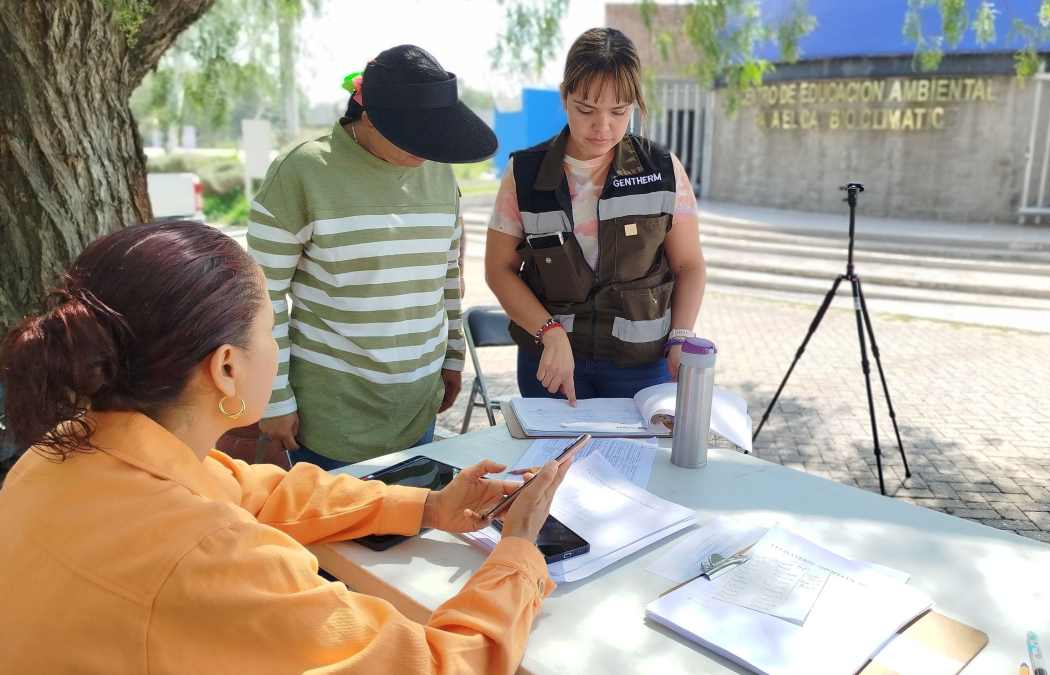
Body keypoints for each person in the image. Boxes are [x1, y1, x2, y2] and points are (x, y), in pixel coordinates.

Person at [0, 221, 571, 673]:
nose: (275, 349)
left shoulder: (59, 452)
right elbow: (441, 666)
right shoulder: (209, 556)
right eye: (272, 329)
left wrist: (429, 506)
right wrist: (519, 550)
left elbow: (254, 491)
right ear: (227, 367)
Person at [250, 45, 495, 469]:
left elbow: (446, 274)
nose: (428, 149)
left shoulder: (439, 171)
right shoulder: (302, 171)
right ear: (369, 116)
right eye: (416, 136)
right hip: (331, 417)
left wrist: (454, 356)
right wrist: (274, 399)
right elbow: (260, 295)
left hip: (419, 406)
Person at [484, 28, 707, 405]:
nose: (602, 127)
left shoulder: (664, 170)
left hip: (642, 366)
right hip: (552, 362)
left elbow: (690, 265)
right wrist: (549, 331)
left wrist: (681, 336)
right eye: (586, 110)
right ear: (564, 98)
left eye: (619, 111)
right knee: (553, 447)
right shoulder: (524, 174)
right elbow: (498, 269)